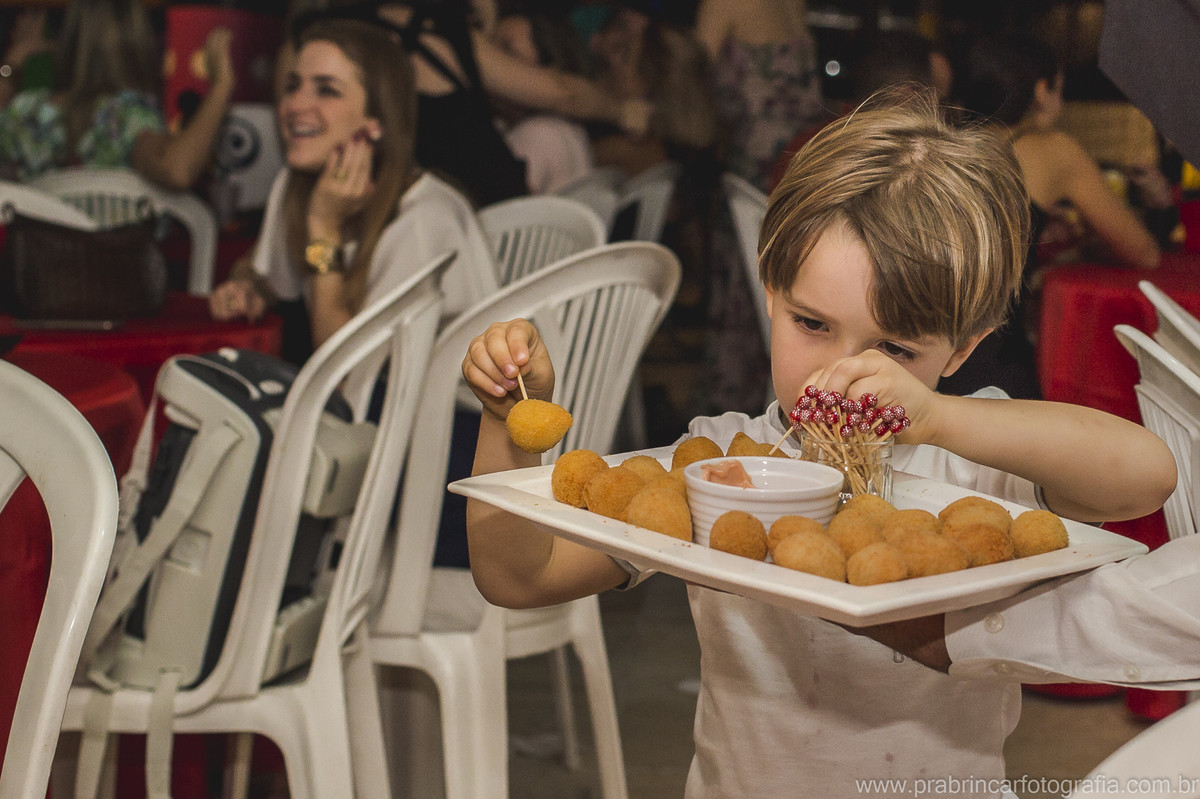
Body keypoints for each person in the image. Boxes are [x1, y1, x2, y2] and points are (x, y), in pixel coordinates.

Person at [461, 91, 1183, 797]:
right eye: (812, 324)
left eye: (895, 348)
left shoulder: (971, 460)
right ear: (770, 292)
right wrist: (505, 419)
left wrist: (939, 418)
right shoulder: (718, 463)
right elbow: (518, 577)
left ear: (963, 349)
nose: (844, 370)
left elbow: (1146, 476)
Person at [209, 16, 492, 356]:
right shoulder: (297, 183)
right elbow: (267, 275)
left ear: (377, 121)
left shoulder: (424, 219)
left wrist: (323, 230)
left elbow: (349, 372)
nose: (295, 105)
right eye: (292, 86)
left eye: (326, 90)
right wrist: (248, 289)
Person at [939, 32, 1170, 401]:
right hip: (990, 365)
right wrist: (1156, 209)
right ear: (1041, 90)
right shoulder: (1053, 151)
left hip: (919, 352)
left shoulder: (939, 141)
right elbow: (1142, 252)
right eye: (1059, 88)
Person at [291, 0, 653, 208]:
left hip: (447, 224)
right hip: (473, 223)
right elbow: (562, 92)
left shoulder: (317, 35)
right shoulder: (426, 28)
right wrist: (624, 111)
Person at [0, 0, 234, 190]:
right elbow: (177, 171)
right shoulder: (126, 115)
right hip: (118, 237)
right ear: (139, 41)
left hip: (35, 236)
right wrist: (221, 85)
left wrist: (14, 60)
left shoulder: (30, 110)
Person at [492, 9, 594, 194]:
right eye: (490, 47)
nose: (492, 65)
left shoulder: (537, 133)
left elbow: (507, 205)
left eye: (507, 52)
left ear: (549, 72)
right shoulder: (570, 128)